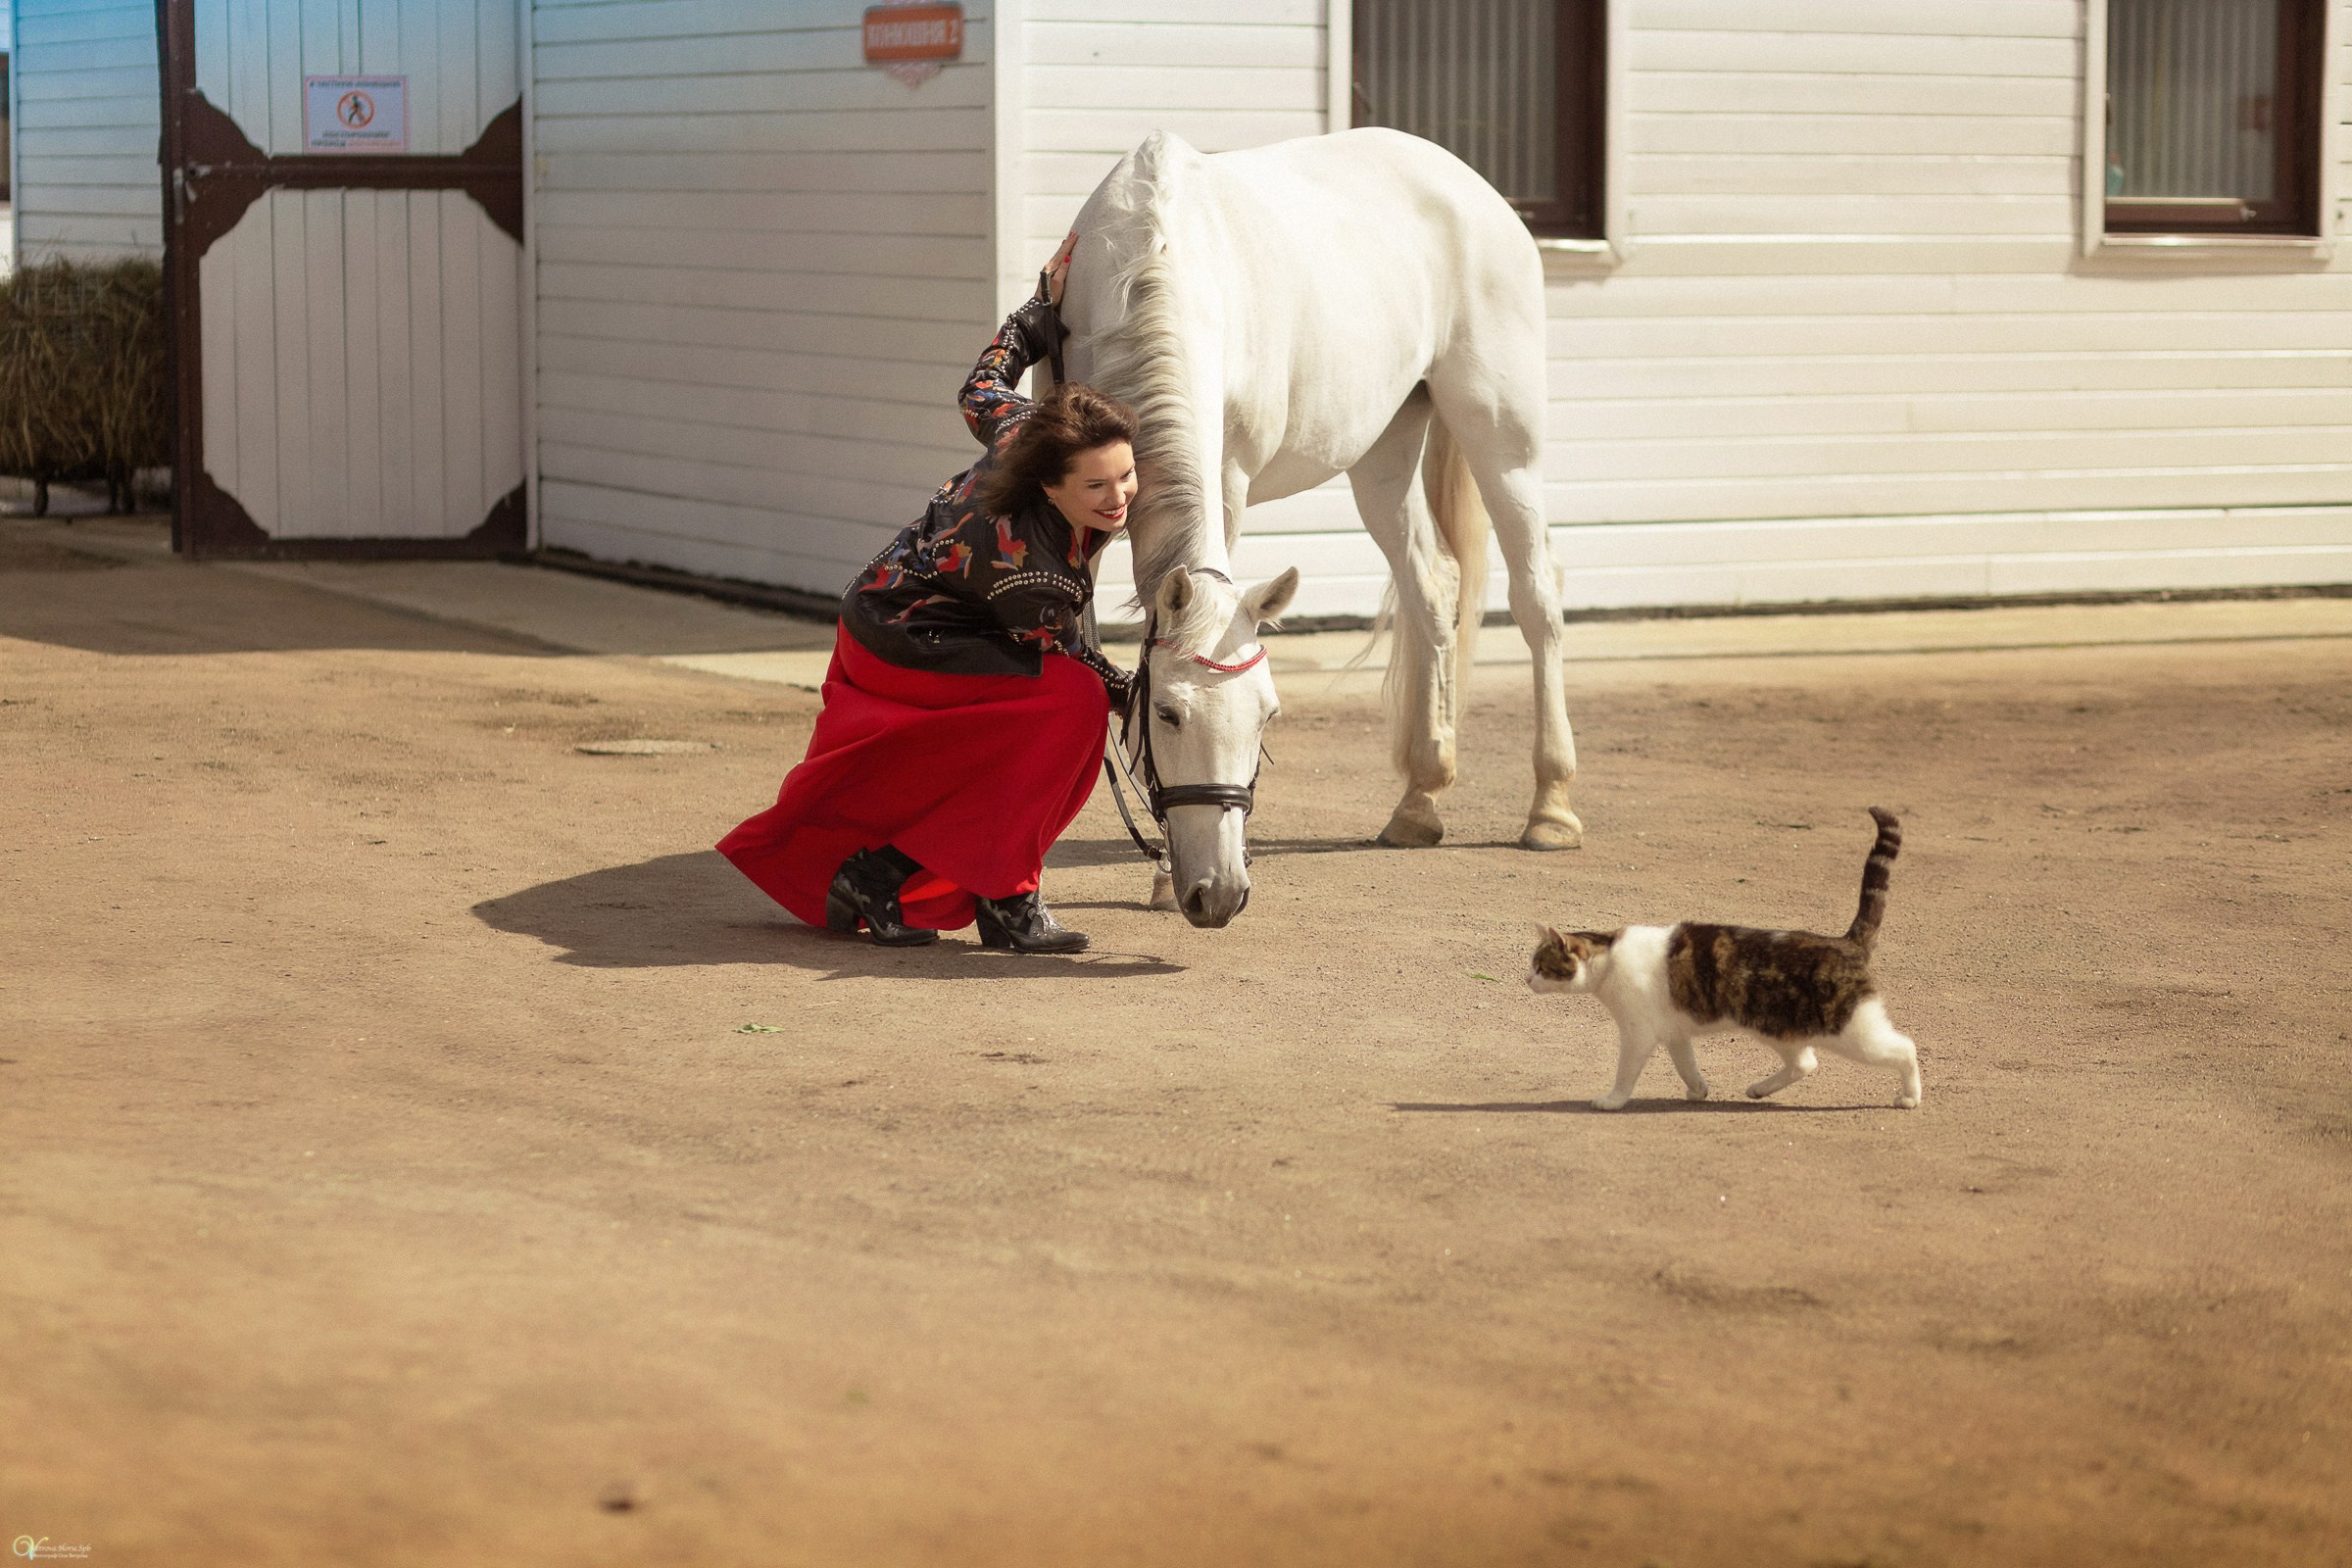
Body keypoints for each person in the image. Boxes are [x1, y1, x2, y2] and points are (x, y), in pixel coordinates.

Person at [716, 248, 1135, 955]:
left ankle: (991, 894)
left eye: (1127, 475)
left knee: (1059, 718)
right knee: (1071, 709)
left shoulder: (1021, 430)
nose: (1119, 497)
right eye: (1097, 487)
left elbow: (984, 382)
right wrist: (1131, 688)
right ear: (1049, 486)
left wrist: (1039, 312)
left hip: (895, 610)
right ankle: (913, 878)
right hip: (908, 643)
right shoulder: (1031, 575)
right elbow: (1063, 654)